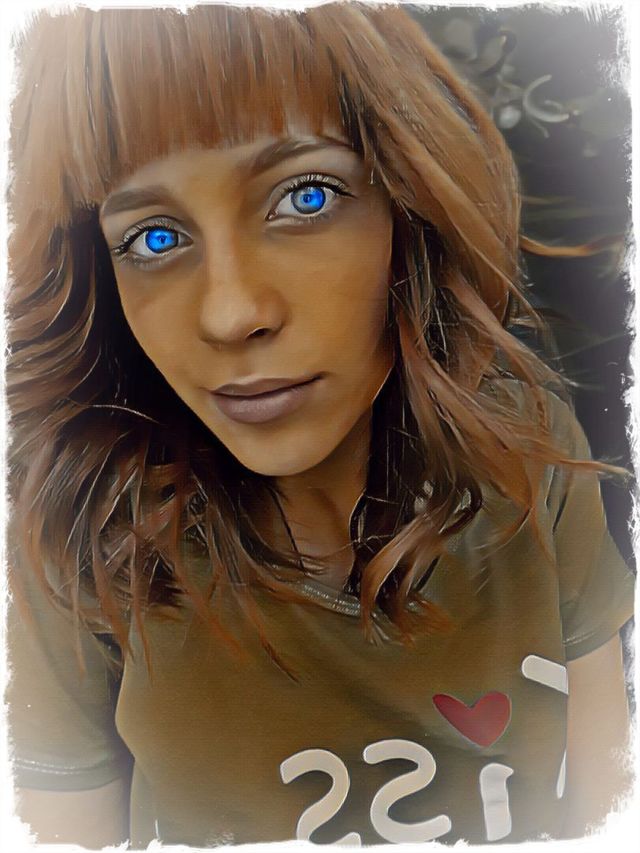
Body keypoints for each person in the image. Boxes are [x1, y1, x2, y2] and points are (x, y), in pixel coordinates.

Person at [4, 3, 635, 848]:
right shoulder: (80, 541)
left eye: (306, 196)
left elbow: (606, 799)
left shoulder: (531, 453)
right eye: (153, 238)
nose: (232, 313)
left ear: (407, 203)